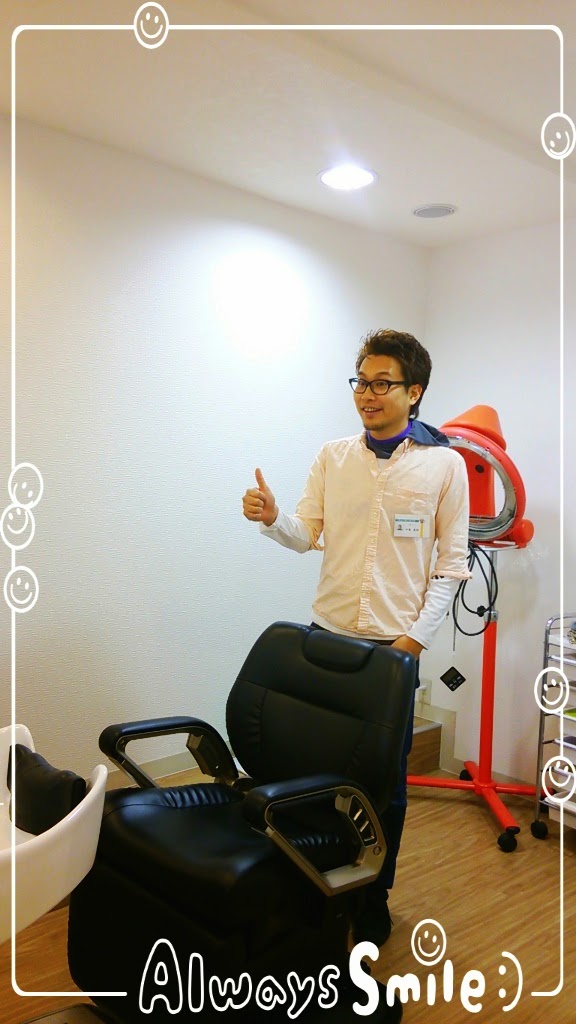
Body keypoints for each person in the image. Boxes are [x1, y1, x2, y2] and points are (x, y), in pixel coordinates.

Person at [242, 328, 471, 946]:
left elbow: (452, 567)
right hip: (327, 637)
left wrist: (411, 645)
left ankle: (372, 899)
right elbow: (306, 533)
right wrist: (274, 519)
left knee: (382, 789)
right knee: (314, 770)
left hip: (392, 652)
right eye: (361, 382)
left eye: (382, 383)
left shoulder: (445, 466)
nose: (367, 395)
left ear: (414, 391)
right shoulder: (334, 456)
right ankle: (313, 882)